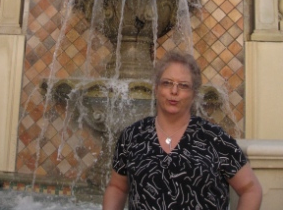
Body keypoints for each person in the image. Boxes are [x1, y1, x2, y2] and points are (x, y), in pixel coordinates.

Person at [102, 51, 262, 210]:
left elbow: (251, 189)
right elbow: (118, 187)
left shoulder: (215, 138)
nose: (174, 91)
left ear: (193, 94)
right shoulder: (133, 136)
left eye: (183, 85)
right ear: (156, 88)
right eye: (167, 83)